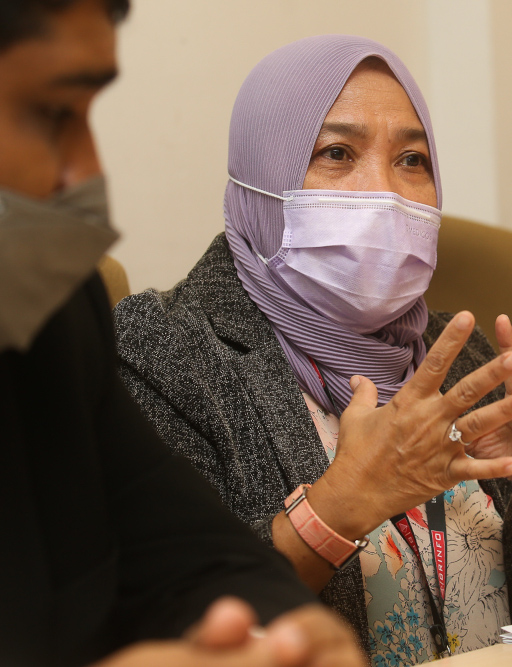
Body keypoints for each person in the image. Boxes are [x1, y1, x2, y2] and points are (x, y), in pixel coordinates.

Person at [113, 35, 512, 664]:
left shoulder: (452, 349)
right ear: (259, 179)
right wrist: (339, 506)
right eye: (337, 153)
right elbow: (171, 628)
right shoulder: (162, 352)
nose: (384, 191)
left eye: (412, 160)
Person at [0, 1, 367, 666]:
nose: (85, 176)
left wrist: (284, 636)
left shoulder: (54, 307)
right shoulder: (165, 336)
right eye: (54, 114)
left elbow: (194, 552)